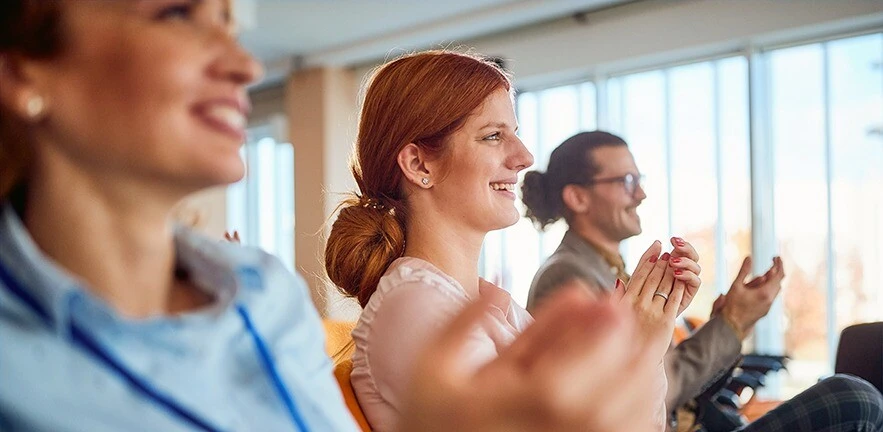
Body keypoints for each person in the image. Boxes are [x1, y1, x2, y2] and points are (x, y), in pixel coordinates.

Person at [0, 2, 690, 431]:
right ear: (27, 69)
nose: (244, 65)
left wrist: (644, 340)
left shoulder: (261, 291)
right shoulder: (20, 369)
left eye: (231, 23)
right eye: (177, 12)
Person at [324, 50, 703, 432]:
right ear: (420, 165)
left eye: (515, 135)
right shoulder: (417, 306)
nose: (524, 157)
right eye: (493, 136)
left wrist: (643, 342)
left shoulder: (493, 308)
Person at [521, 130, 883, 431]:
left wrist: (724, 321)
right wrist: (731, 324)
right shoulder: (567, 279)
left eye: (639, 180)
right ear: (578, 197)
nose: (642, 194)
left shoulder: (609, 271)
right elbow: (659, 388)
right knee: (852, 398)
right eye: (626, 181)